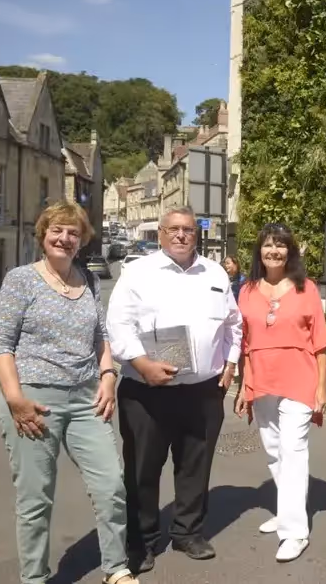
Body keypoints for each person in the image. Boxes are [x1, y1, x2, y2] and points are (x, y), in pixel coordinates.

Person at [0, 202, 139, 584]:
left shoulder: (88, 281)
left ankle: (116, 569)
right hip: (34, 400)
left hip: (87, 397)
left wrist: (108, 376)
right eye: (58, 230)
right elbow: (1, 344)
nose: (65, 238)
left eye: (73, 233)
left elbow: (100, 335)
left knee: (111, 485)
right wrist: (15, 399)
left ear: (82, 240)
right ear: (43, 234)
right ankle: (35, 578)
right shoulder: (21, 280)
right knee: (35, 499)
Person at [106, 205, 243, 574]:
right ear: (161, 234)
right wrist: (141, 364)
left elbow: (234, 323)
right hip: (147, 390)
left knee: (195, 467)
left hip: (202, 390)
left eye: (188, 230)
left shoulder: (215, 273)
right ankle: (143, 541)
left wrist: (231, 364)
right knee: (142, 470)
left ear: (196, 234)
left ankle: (187, 532)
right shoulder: (138, 272)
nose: (182, 235)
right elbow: (117, 325)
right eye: (174, 230)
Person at [234, 223, 326, 563]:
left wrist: (321, 388)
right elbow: (244, 344)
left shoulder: (306, 290)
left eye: (280, 245)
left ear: (290, 251)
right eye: (267, 245)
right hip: (261, 381)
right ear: (259, 251)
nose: (274, 251)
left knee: (293, 450)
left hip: (299, 381)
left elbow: (321, 344)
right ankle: (286, 509)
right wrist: (245, 386)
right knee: (274, 451)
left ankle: (295, 531)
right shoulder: (246, 291)